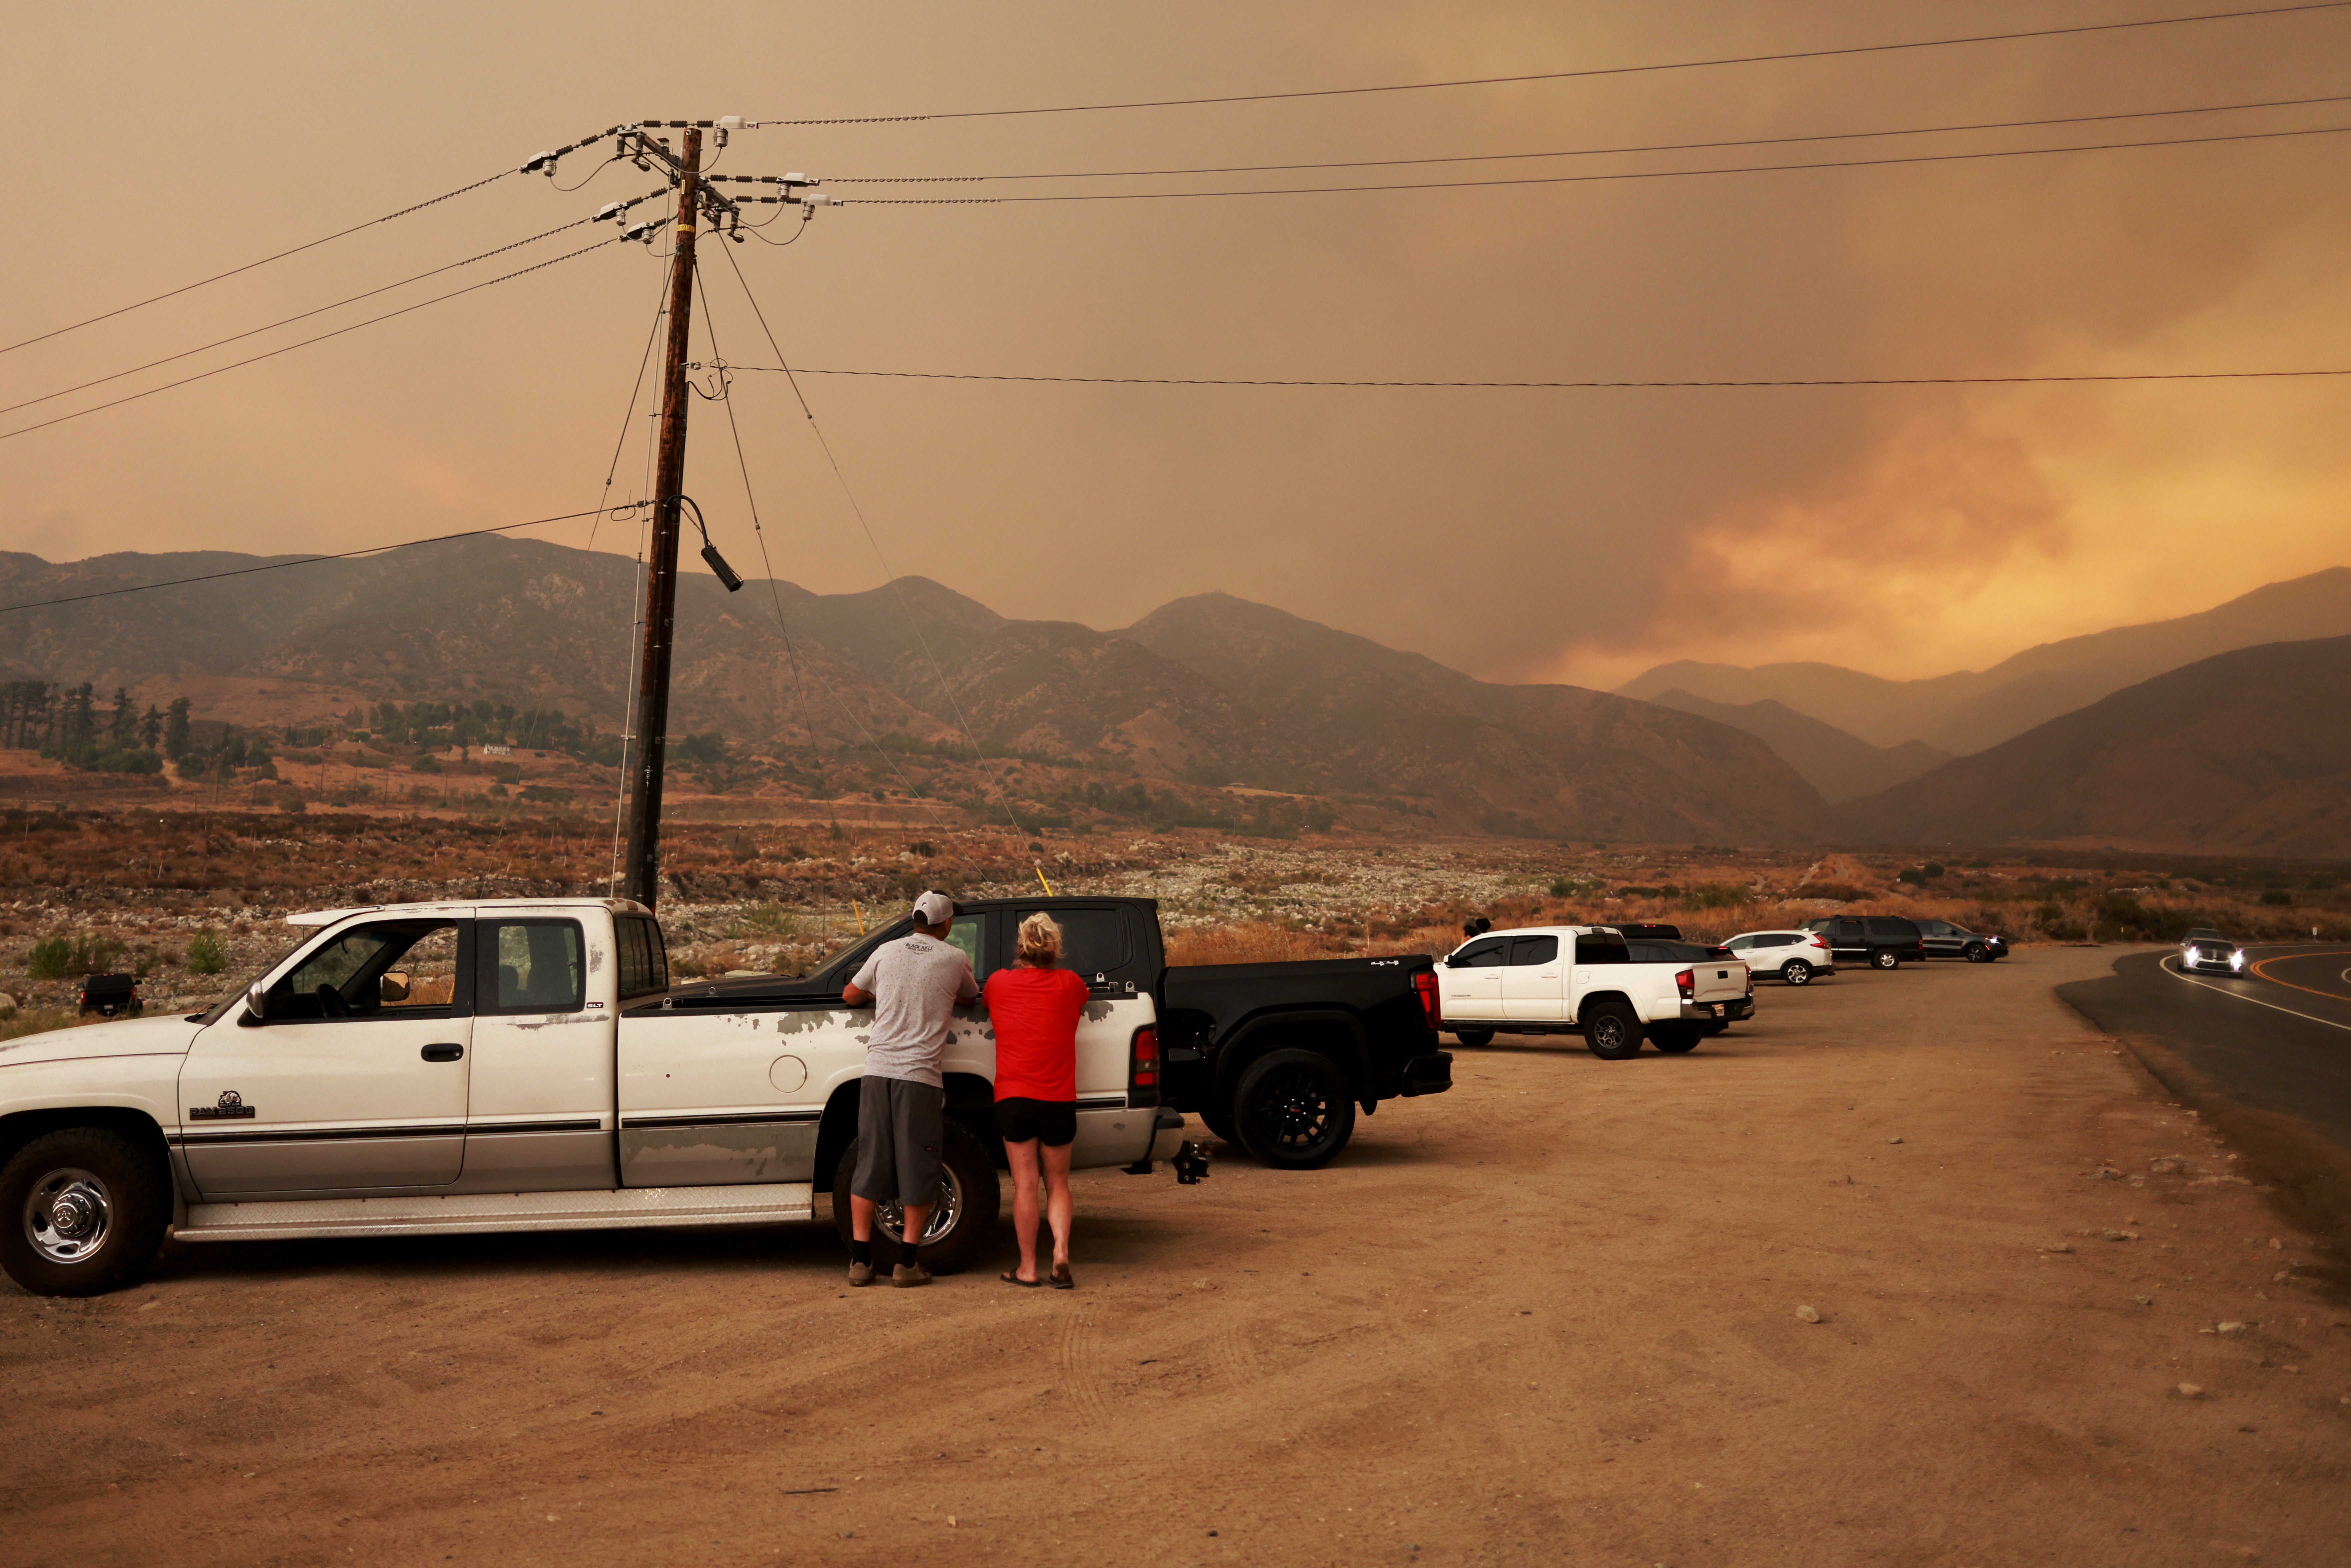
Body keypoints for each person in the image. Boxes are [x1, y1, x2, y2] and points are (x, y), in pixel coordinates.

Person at [842, 889, 978, 1288]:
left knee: (869, 1164)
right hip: (918, 1078)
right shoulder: (954, 959)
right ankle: (906, 1264)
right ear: (947, 924)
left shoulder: (885, 951)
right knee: (919, 1167)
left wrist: (879, 993)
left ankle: (861, 1262)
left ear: (914, 919)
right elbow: (971, 996)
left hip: (876, 1072)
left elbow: (851, 994)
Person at [982, 912, 1088, 1289]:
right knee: (1057, 1182)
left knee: (1025, 1185)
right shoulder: (1072, 984)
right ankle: (1061, 1250)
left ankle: (1027, 1268)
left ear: (1021, 947)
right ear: (1055, 948)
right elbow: (1081, 1003)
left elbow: (984, 1004)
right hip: (1058, 1098)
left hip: (1014, 1097)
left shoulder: (998, 984)